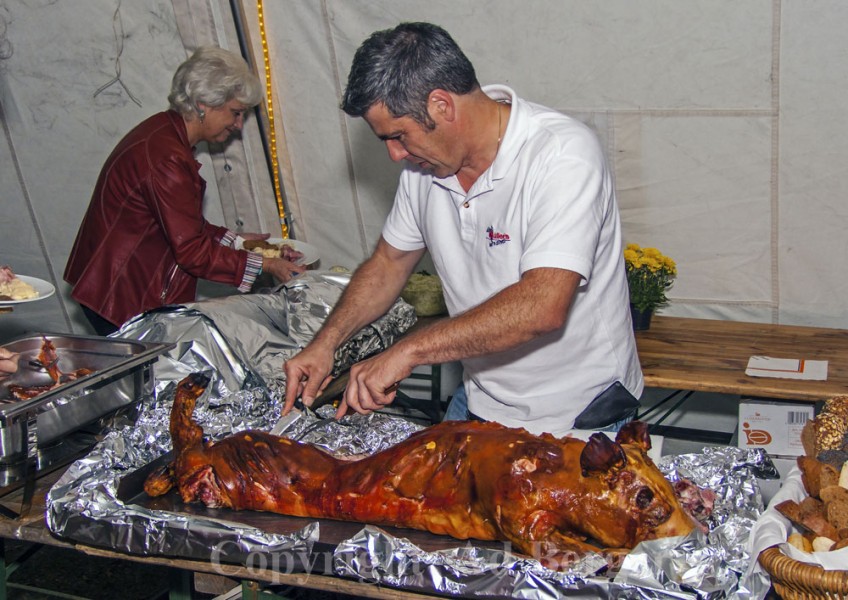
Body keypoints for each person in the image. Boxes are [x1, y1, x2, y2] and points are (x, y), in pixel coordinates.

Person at [283, 23, 643, 437]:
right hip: (481, 401)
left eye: (398, 136)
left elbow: (543, 304)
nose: (395, 154)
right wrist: (326, 343)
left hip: (579, 414)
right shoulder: (423, 171)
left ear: (441, 105)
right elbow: (388, 264)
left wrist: (409, 351)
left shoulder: (562, 155)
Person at [64, 47, 305, 336]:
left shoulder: (162, 133)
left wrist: (235, 240)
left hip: (112, 284)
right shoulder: (168, 158)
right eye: (236, 113)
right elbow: (192, 252)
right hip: (121, 293)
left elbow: (178, 221)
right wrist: (266, 264)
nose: (238, 125)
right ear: (204, 104)